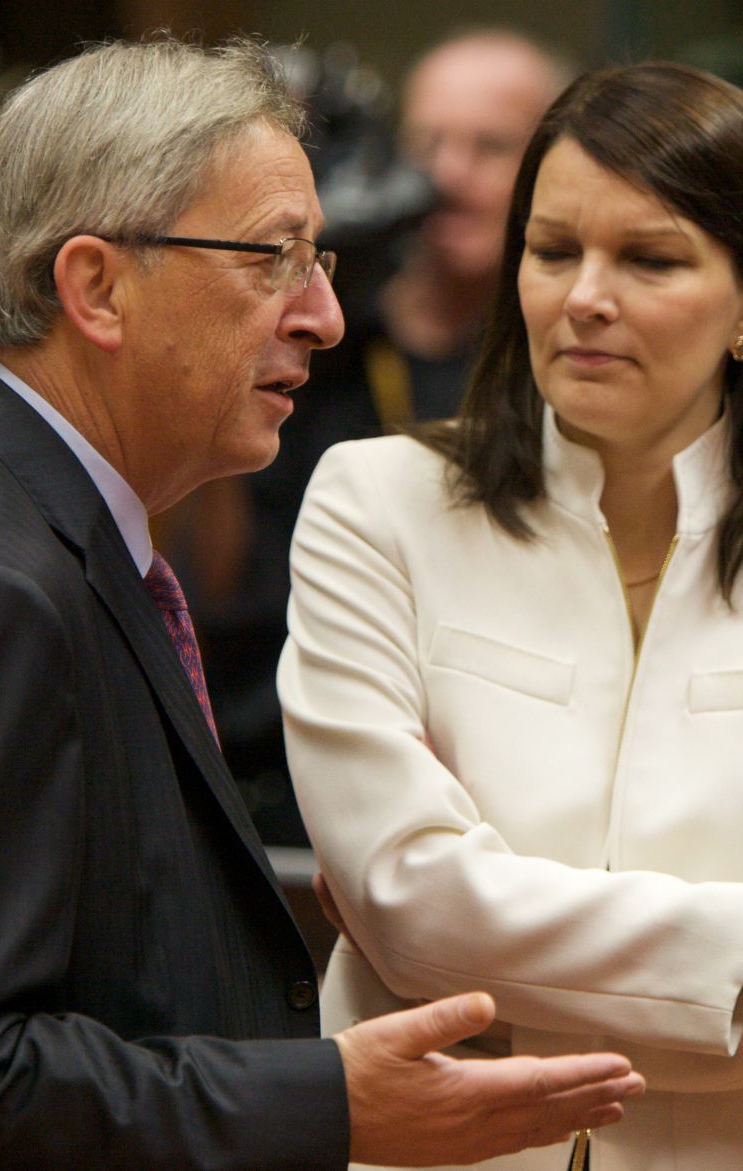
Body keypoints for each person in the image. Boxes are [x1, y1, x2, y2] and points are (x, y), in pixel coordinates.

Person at [0, 38, 645, 1169]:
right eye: (273, 259)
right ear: (96, 287)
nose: (322, 315)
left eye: (321, 260)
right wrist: (330, 1103)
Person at [279, 62, 743, 1170]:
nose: (583, 296)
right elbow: (404, 903)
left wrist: (498, 962)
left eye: (647, 259)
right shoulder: (376, 502)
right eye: (551, 252)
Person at [161, 30, 570, 842]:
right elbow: (212, 575)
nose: (448, 176)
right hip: (279, 761)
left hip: (502, 778)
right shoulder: (327, 333)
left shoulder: (563, 357)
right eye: (428, 144)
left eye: (489, 147)